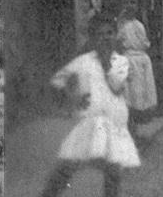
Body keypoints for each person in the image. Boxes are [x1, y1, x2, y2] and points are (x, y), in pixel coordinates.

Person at [39, 13, 139, 197]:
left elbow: (116, 87)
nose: (105, 38)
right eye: (100, 34)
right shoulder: (83, 62)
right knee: (66, 166)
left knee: (113, 173)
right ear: (92, 38)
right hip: (89, 123)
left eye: (109, 33)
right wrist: (72, 98)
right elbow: (57, 82)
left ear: (115, 35)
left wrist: (106, 62)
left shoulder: (122, 62)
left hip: (114, 126)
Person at [115, 0, 157, 123]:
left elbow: (145, 42)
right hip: (128, 58)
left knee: (142, 90)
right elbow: (118, 40)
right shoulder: (120, 24)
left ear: (138, 6)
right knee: (130, 92)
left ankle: (140, 117)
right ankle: (131, 118)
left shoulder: (140, 24)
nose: (129, 6)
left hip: (141, 59)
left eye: (133, 2)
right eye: (126, 3)